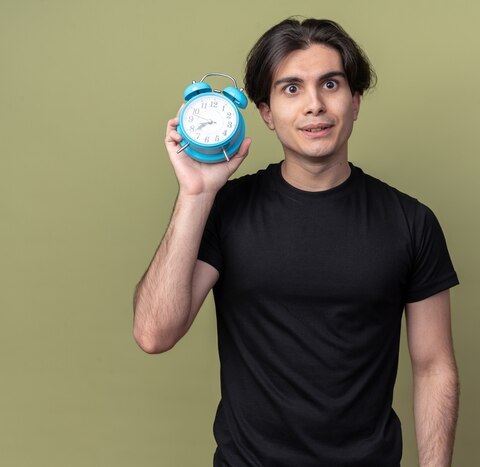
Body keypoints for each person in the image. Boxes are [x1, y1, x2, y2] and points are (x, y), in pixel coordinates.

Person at [133, 17, 460, 467]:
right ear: (265, 112)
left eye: (330, 84)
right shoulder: (225, 211)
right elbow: (154, 333)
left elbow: (433, 365)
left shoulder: (411, 222)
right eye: (291, 88)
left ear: (355, 100)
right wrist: (196, 194)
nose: (314, 105)